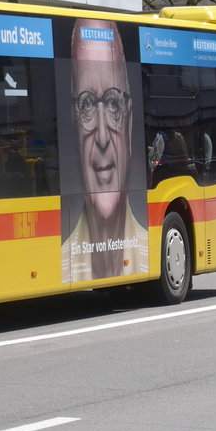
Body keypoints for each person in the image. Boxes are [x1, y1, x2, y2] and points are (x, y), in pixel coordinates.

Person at [61, 18, 149, 281]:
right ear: (73, 122)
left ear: (130, 118)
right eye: (86, 104)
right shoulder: (61, 267)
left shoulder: (150, 255)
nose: (101, 137)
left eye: (112, 103)